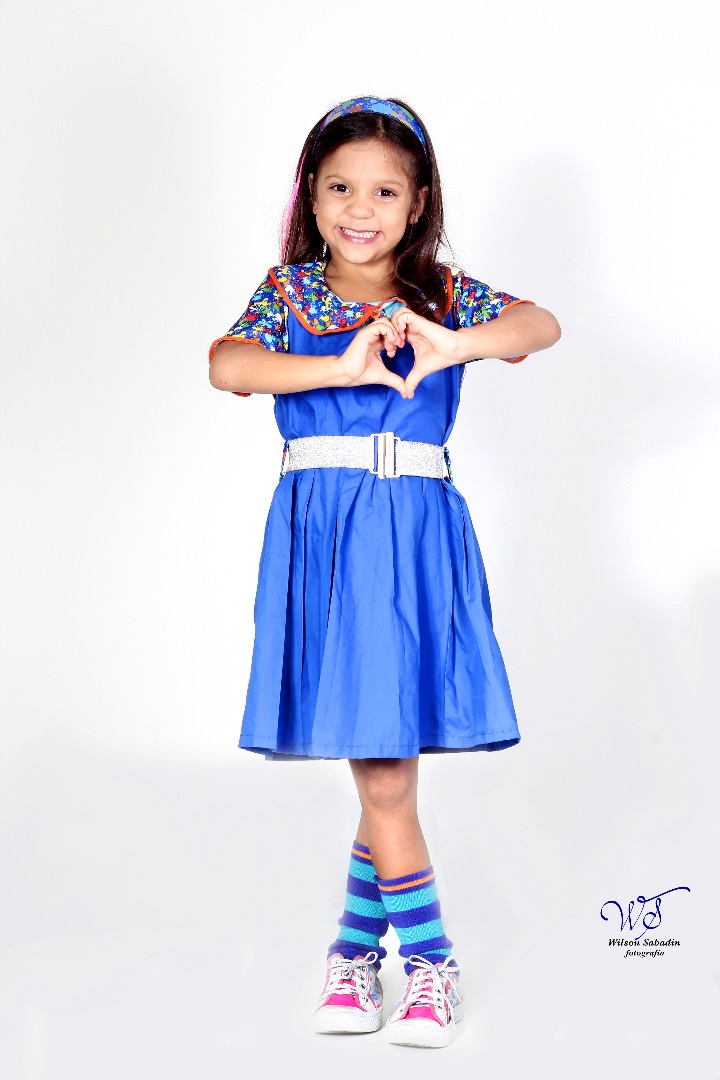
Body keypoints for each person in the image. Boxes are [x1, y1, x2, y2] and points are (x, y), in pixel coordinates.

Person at [208, 96, 561, 1049]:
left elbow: (540, 325)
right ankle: (389, 955)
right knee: (384, 762)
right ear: (311, 197)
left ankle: (394, 958)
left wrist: (458, 342)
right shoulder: (289, 295)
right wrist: (343, 369)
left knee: (385, 763)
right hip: (326, 535)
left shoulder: (441, 294)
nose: (360, 209)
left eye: (384, 191)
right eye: (340, 188)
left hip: (415, 530)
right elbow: (228, 366)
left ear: (418, 203)